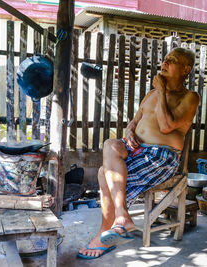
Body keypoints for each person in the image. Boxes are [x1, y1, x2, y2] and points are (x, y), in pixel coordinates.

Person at [77, 47, 200, 259]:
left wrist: (162, 90)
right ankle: (121, 216)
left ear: (186, 69)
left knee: (102, 174)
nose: (166, 62)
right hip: (137, 150)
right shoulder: (150, 94)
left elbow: (166, 126)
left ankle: (105, 233)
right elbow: (134, 121)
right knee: (110, 144)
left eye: (173, 60)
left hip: (161, 156)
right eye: (165, 59)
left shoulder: (189, 97)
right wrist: (130, 130)